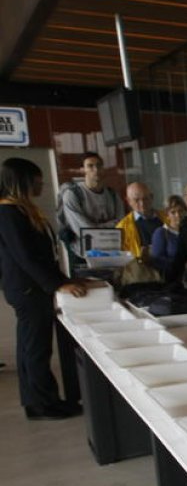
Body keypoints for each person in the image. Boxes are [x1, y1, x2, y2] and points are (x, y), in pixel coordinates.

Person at [0, 158, 90, 420]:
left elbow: (44, 256)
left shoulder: (21, 210)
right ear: (22, 181)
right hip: (28, 291)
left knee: (30, 347)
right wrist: (59, 285)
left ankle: (36, 400)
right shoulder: (9, 213)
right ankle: (44, 403)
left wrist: (65, 278)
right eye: (37, 180)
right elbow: (26, 258)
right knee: (36, 349)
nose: (41, 184)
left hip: (31, 289)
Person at [58, 151, 121, 252]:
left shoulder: (113, 194)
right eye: (90, 166)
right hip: (82, 252)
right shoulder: (73, 194)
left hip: (111, 250)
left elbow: (121, 224)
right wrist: (109, 225)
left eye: (99, 165)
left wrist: (95, 227)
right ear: (82, 170)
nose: (96, 170)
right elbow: (85, 230)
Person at [148, 195, 185, 276]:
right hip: (171, 280)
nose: (178, 215)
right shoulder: (161, 233)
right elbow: (157, 260)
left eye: (180, 211)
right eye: (173, 212)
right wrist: (181, 264)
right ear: (167, 215)